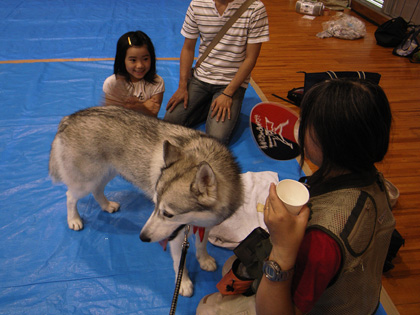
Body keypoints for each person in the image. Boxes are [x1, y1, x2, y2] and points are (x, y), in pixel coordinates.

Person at [197, 78, 396, 314]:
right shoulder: (377, 182)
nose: (298, 125)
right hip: (357, 296)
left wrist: (282, 249)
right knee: (234, 265)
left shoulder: (321, 240)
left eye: (307, 122)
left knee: (207, 308)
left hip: (314, 304)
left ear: (332, 143)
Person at [164, 0, 269, 144]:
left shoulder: (255, 8)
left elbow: (250, 59)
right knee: (170, 122)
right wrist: (182, 86)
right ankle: (209, 104)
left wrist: (228, 93)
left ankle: (219, 105)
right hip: (201, 77)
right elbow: (188, 48)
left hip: (231, 83)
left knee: (216, 139)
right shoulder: (197, 4)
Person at [103, 30, 164, 117]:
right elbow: (111, 118)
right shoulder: (112, 83)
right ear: (122, 60)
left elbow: (153, 116)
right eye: (133, 60)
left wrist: (136, 107)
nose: (140, 65)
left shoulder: (157, 82)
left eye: (145, 59)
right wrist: (143, 106)